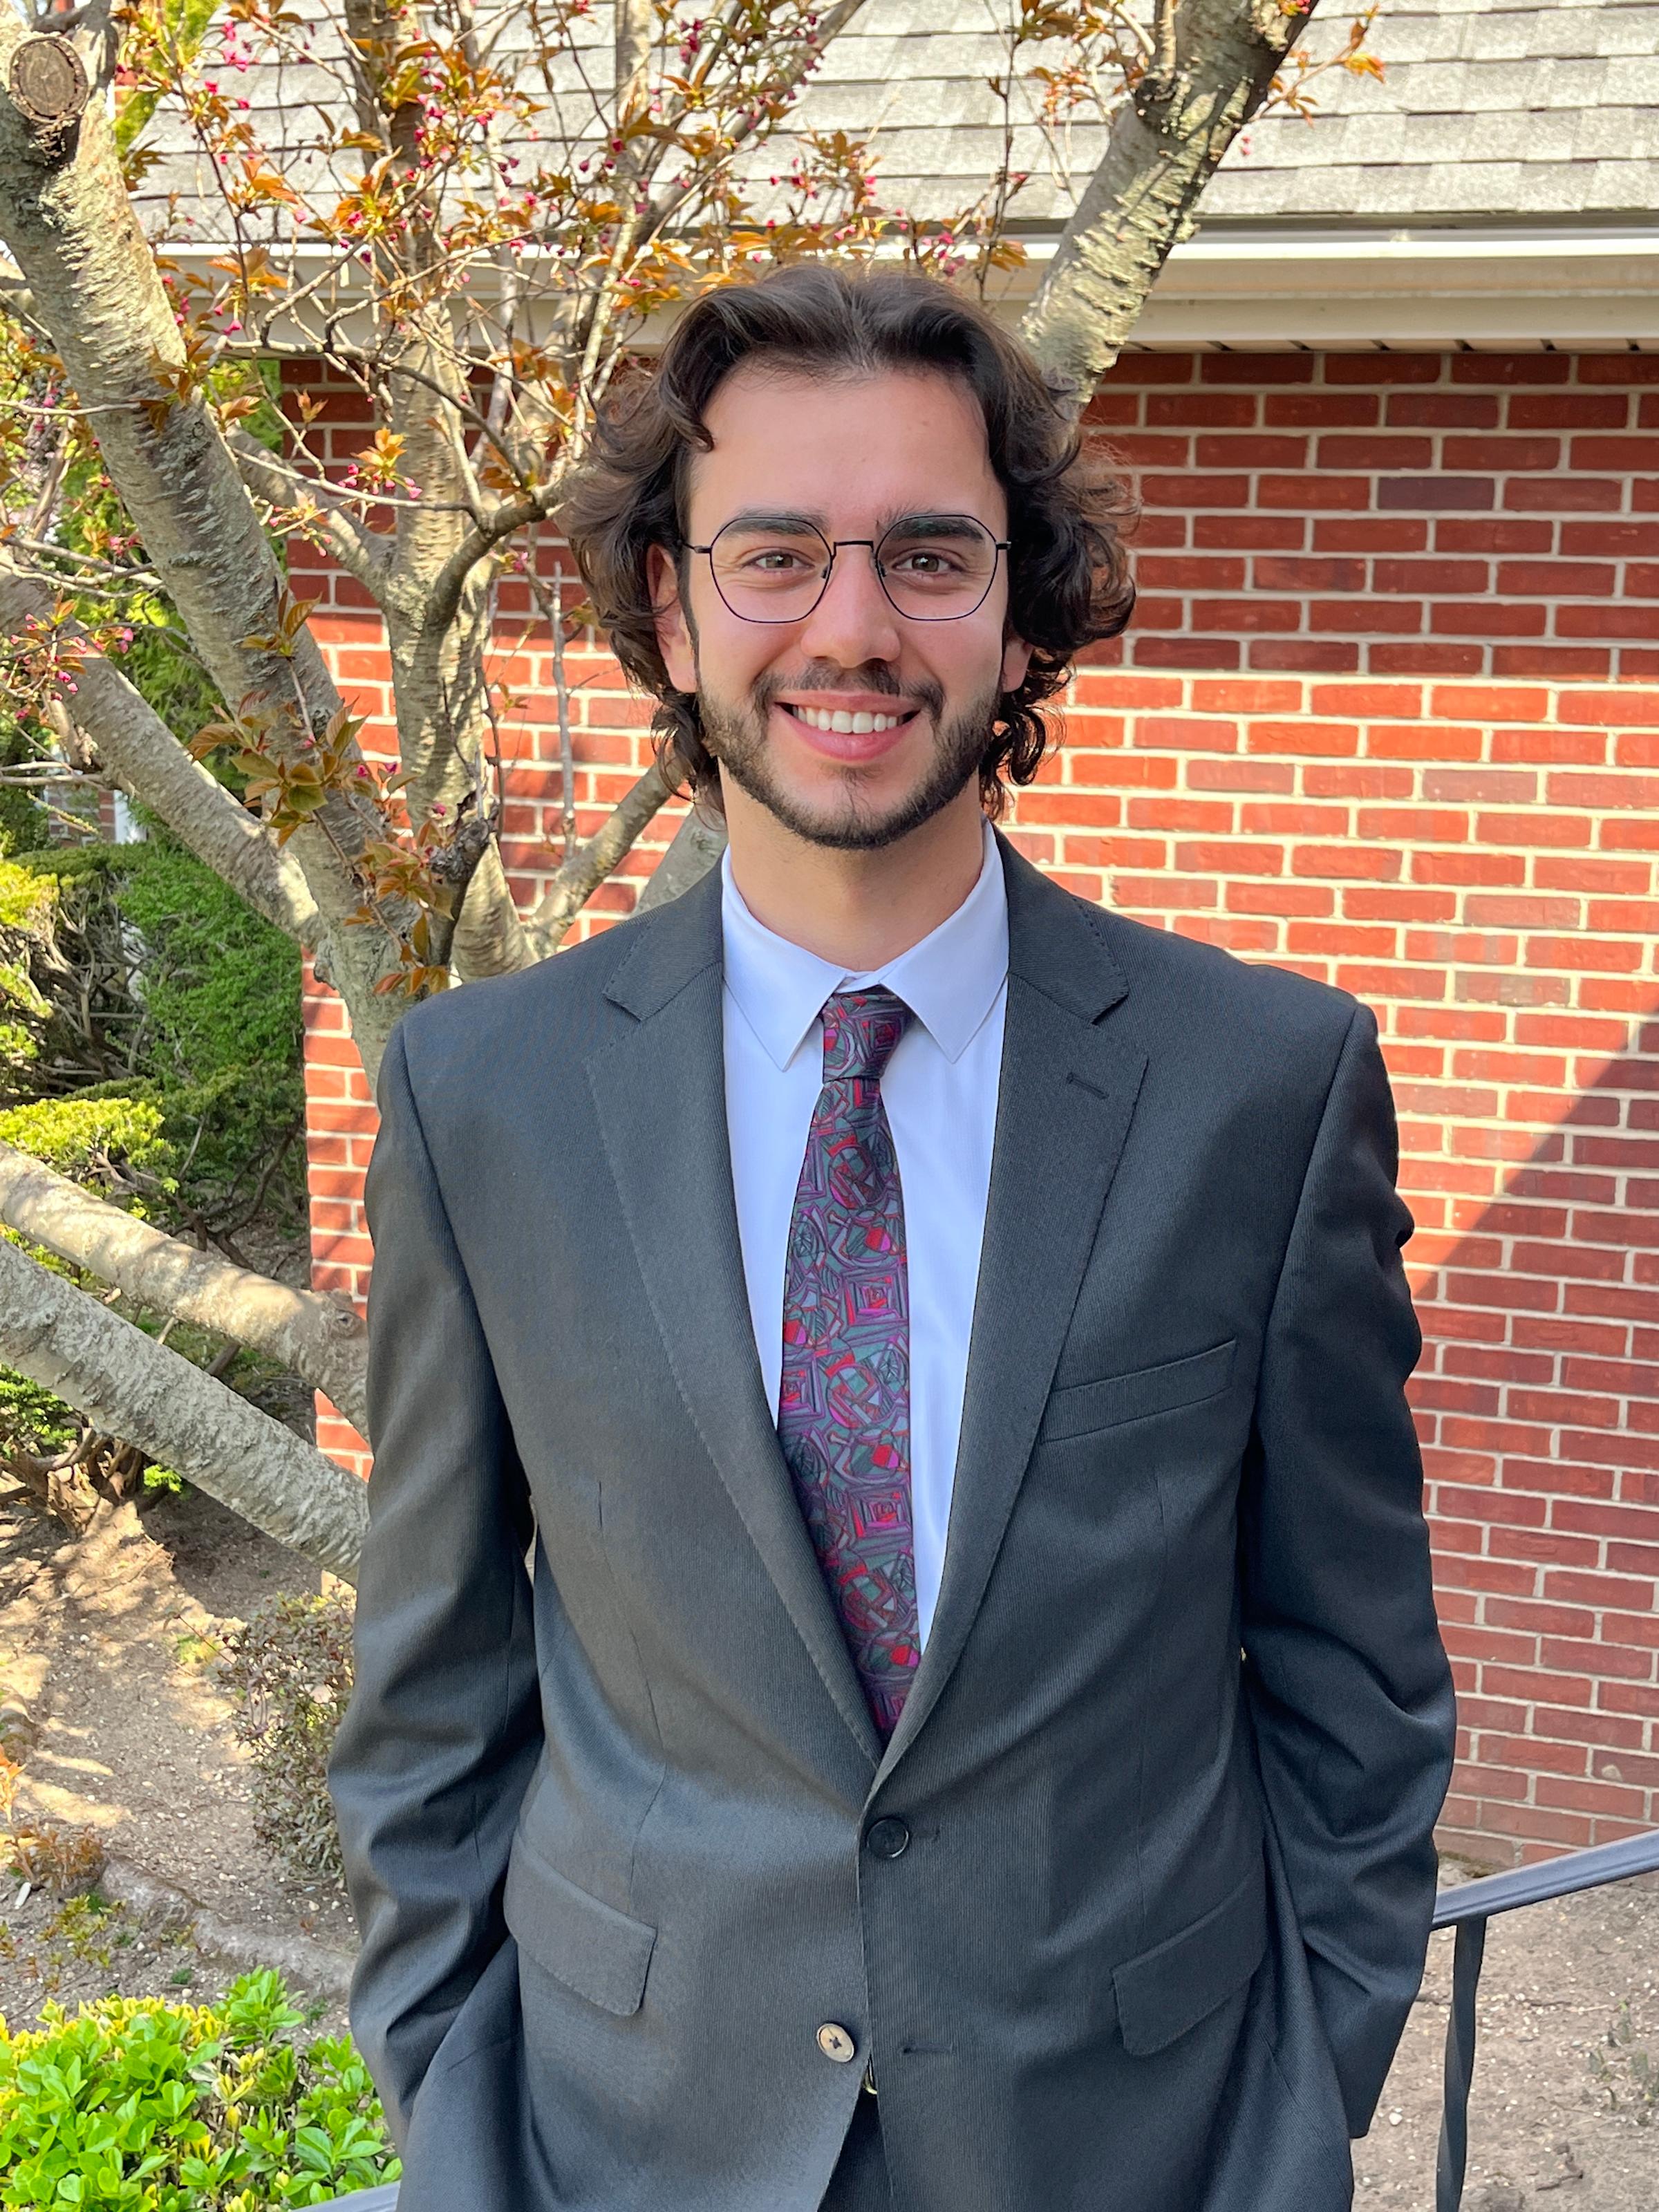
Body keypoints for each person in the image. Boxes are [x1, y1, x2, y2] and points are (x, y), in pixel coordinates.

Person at [326, 265, 1456, 2212]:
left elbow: (1353, 1685)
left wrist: (1301, 2108)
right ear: (670, 613)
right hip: (626, 2142)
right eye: (774, 553)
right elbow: (433, 1702)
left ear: (1021, 616)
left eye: (931, 553)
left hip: (1132, 2146)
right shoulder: (481, 1103)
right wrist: (453, 2113)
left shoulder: (1261, 1091)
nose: (853, 627)